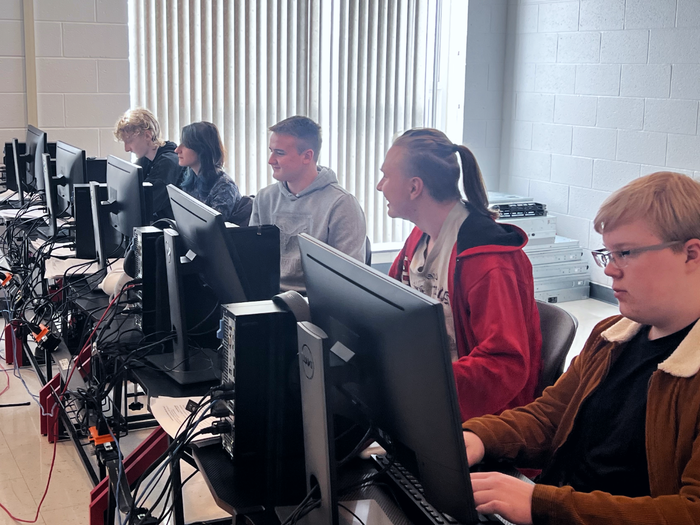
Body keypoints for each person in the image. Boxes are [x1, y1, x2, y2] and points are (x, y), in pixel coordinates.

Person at [462, 171, 700, 525]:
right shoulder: (612, 335)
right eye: (609, 253)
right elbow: (549, 418)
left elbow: (690, 512)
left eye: (626, 253)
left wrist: (541, 503)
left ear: (691, 254)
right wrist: (477, 437)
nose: (610, 272)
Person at [378, 128, 541, 422]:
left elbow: (504, 365)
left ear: (415, 188)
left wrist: (415, 384)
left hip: (477, 411)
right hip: (428, 386)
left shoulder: (489, 262)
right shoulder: (420, 238)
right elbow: (390, 305)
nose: (380, 186)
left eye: (386, 176)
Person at [249, 115, 366, 292]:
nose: (270, 160)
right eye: (271, 151)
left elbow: (348, 280)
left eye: (279, 153)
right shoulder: (265, 198)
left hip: (315, 305)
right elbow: (252, 259)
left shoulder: (341, 204)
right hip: (268, 297)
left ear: (307, 156)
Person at [176, 121, 252, 226]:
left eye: (185, 145)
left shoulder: (224, 186)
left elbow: (212, 228)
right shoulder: (190, 178)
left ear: (201, 149)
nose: (177, 150)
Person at [114, 107, 183, 219]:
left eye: (129, 141)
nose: (126, 149)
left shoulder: (168, 163)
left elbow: (146, 205)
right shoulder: (145, 160)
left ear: (147, 135)